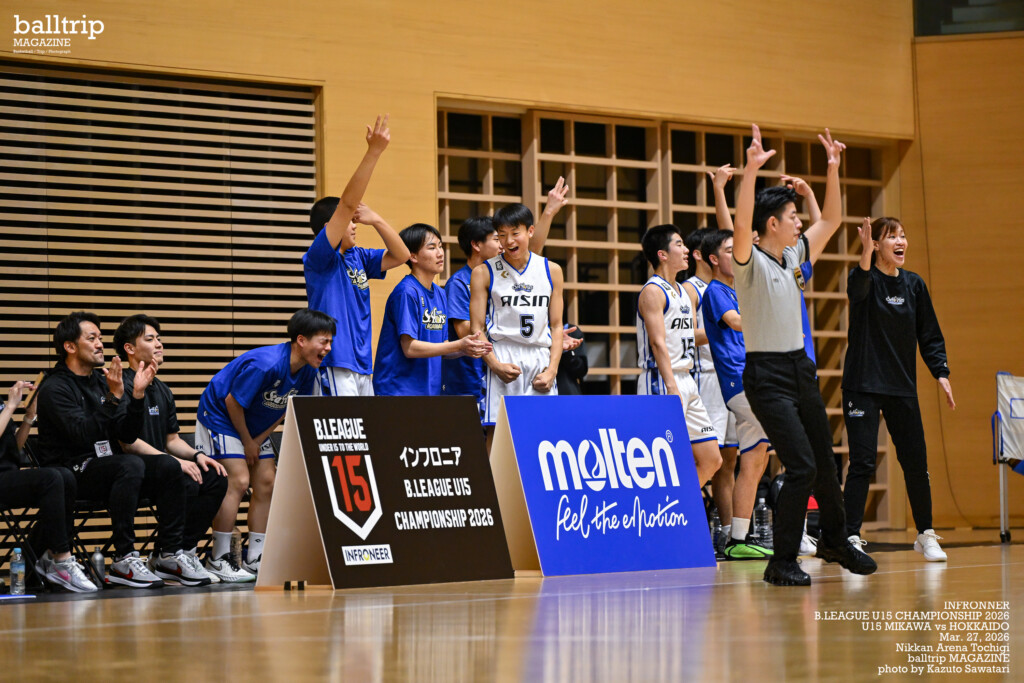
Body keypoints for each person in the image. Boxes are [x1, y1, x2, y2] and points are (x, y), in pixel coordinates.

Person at [732, 124, 876, 586]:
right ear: (771, 224)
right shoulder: (749, 261)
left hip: (801, 369)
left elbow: (831, 220)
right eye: (792, 216)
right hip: (767, 375)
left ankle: (835, 541)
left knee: (825, 463)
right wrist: (751, 171)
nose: (799, 222)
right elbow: (741, 224)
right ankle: (781, 561)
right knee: (801, 466)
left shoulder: (793, 256)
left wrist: (832, 168)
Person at [843, 217, 955, 562]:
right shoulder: (863, 278)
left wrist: (941, 372)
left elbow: (929, 334)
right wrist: (864, 253)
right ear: (876, 245)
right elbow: (858, 290)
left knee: (916, 462)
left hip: (901, 387)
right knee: (862, 462)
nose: (901, 241)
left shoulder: (914, 285)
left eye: (903, 236)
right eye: (892, 237)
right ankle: (850, 536)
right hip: (862, 385)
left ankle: (925, 534)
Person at [196, 308, 335, 578]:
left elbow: (285, 408)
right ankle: (219, 558)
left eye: (330, 341)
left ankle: (256, 556)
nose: (328, 348)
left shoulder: (309, 371)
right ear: (301, 340)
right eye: (324, 341)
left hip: (253, 426)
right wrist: (247, 441)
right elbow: (232, 403)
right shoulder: (266, 364)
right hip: (220, 416)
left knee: (267, 481)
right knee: (238, 480)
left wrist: (257, 440)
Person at [35, 311, 169, 589]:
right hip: (70, 473)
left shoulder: (102, 381)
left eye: (100, 338)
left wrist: (136, 397)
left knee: (169, 467)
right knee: (129, 465)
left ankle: (171, 554)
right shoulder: (55, 387)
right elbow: (82, 434)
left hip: (105, 467)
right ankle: (124, 557)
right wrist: (113, 398)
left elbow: (126, 434)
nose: (100, 344)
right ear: (70, 346)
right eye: (91, 338)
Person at [113, 314, 235, 584]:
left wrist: (198, 456)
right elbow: (127, 442)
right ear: (129, 348)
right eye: (150, 339)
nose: (159, 344)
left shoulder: (163, 390)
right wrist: (175, 462)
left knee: (214, 476)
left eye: (159, 338)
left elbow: (172, 440)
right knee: (181, 475)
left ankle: (180, 551)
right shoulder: (120, 384)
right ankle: (169, 552)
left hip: (164, 469)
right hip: (131, 472)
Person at [304, 115, 410, 397]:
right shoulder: (319, 258)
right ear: (330, 227)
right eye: (350, 221)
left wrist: (376, 219)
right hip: (335, 362)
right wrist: (374, 152)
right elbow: (347, 203)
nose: (354, 225)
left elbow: (402, 255)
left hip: (363, 364)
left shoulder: (358, 257)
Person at [699, 229, 773, 561]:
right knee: (791, 447)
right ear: (714, 259)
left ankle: (738, 538)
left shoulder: (737, 289)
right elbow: (736, 322)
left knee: (755, 458)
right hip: (740, 382)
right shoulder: (715, 291)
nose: (737, 255)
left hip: (755, 377)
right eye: (730, 250)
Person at [637, 224, 722, 486]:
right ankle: (661, 508)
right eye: (679, 244)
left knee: (711, 458)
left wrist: (730, 328)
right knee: (662, 462)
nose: (686, 250)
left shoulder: (683, 291)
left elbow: (689, 335)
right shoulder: (653, 291)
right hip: (661, 380)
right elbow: (657, 343)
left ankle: (681, 503)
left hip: (686, 378)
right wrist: (671, 385)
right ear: (662, 254)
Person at [470, 203, 565, 427]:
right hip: (503, 355)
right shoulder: (483, 272)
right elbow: (476, 328)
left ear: (530, 231)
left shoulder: (552, 271)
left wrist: (552, 370)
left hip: (540, 357)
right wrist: (494, 365)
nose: (509, 241)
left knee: (543, 431)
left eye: (515, 233)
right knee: (498, 431)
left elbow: (557, 326)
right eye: (502, 235)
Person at [0, 380, 97, 592]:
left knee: (65, 476)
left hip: (7, 475)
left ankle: (50, 555)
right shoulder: (5, 406)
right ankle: (61, 560)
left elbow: (13, 448)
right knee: (51, 478)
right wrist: (11, 406)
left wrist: (28, 417)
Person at [373, 224, 491, 396]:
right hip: (398, 391)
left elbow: (442, 347)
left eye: (440, 246)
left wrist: (465, 349)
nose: (440, 253)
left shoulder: (440, 293)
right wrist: (459, 344)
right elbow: (409, 348)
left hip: (428, 391)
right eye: (432, 247)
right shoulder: (406, 292)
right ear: (413, 256)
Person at [441, 216, 503, 410]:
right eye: (497, 239)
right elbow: (465, 332)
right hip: (468, 384)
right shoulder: (459, 283)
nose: (502, 245)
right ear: (476, 245)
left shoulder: (502, 281)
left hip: (498, 380)